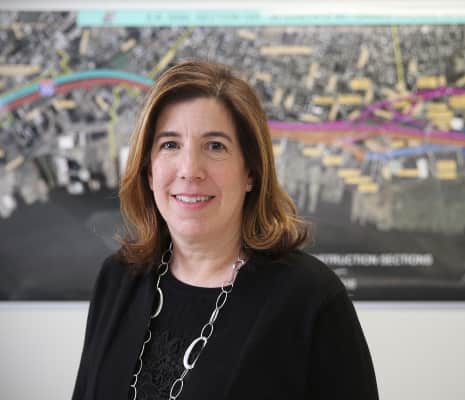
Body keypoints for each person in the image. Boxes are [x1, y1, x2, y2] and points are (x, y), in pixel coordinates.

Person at [72, 60, 378, 400]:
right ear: (149, 170)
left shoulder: (311, 298)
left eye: (215, 146)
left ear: (250, 173)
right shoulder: (118, 278)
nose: (190, 169)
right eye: (170, 145)